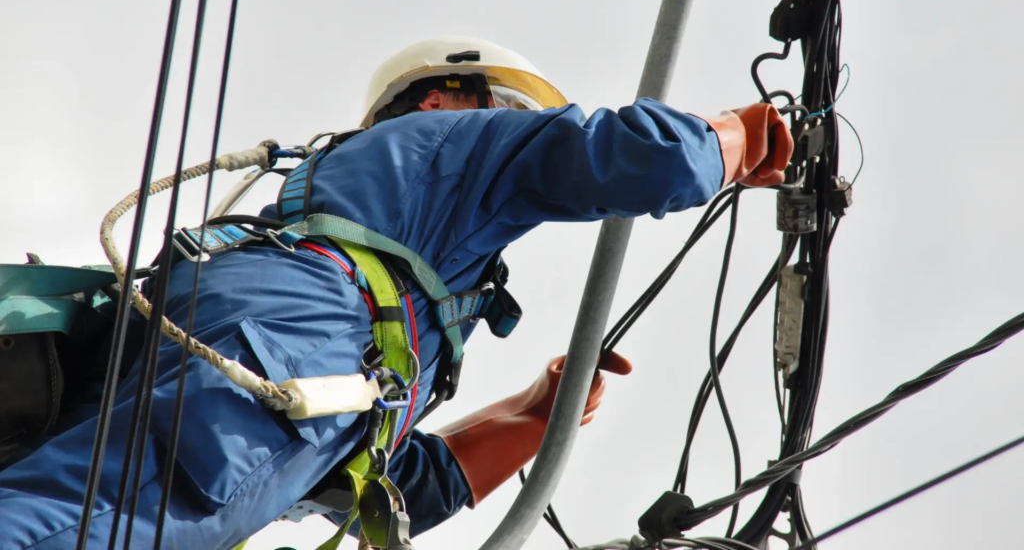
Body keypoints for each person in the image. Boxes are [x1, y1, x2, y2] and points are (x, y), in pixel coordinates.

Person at [0, 36, 793, 550]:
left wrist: (535, 415)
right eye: (513, 114)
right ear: (442, 97)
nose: (515, 133)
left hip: (265, 346)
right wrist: (741, 137)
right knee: (99, 521)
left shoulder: (397, 278)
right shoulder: (437, 145)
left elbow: (388, 481)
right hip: (296, 329)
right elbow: (627, 156)